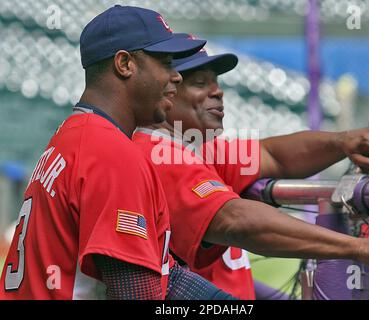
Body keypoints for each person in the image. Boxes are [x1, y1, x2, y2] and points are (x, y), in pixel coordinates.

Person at [132, 34, 369, 300]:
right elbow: (235, 221)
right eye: (200, 83)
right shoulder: (158, 153)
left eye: (216, 82)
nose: (217, 91)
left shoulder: (195, 147)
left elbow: (273, 154)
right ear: (166, 92)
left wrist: (343, 141)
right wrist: (358, 247)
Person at [0, 6, 234, 300]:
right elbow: (138, 295)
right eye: (164, 62)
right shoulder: (111, 153)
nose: (176, 76)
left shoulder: (74, 133)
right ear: (124, 64)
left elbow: (165, 275)